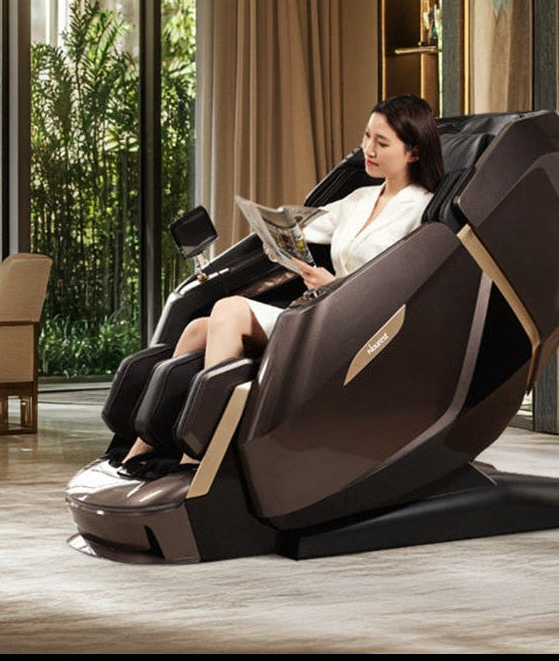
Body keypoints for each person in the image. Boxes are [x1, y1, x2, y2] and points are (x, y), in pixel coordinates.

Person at [121, 93, 445, 479]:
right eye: (366, 136)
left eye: (382, 142)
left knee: (229, 310)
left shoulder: (422, 212)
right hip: (319, 312)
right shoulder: (359, 198)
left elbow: (397, 287)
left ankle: (203, 451)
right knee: (196, 328)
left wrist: (335, 284)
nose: (367, 150)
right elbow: (302, 229)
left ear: (413, 153)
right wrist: (274, 230)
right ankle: (146, 443)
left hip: (356, 328)